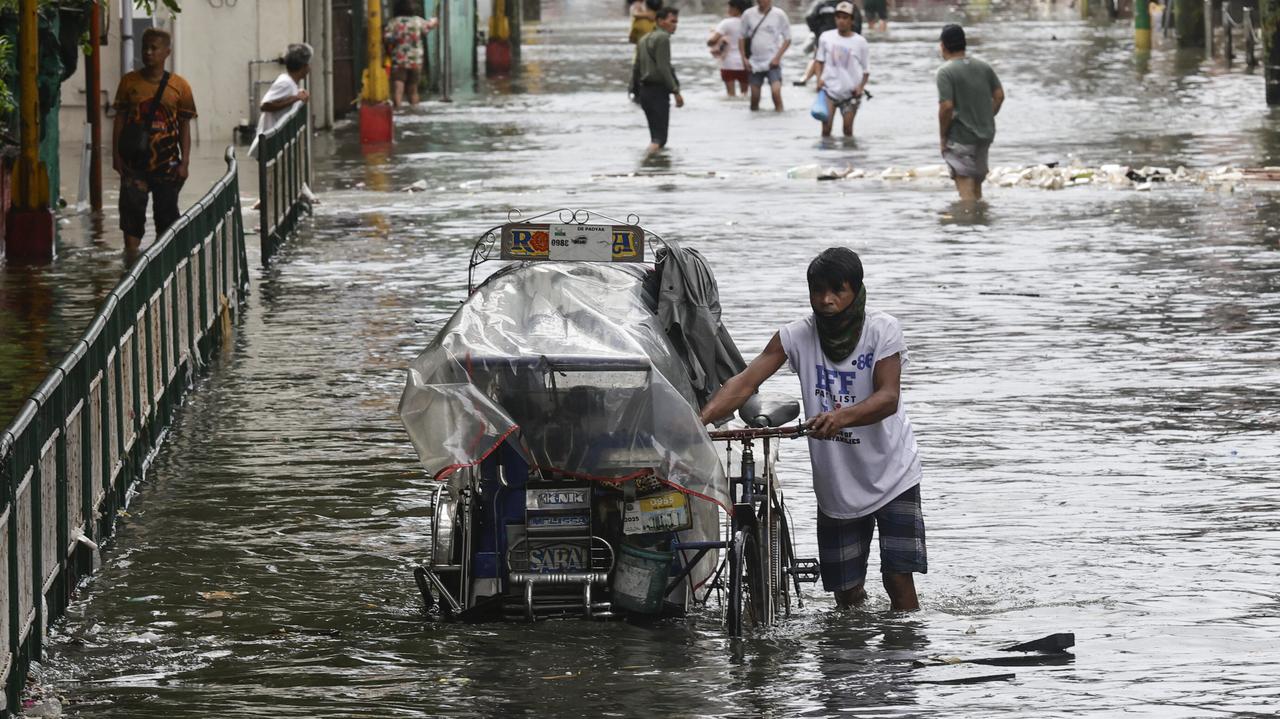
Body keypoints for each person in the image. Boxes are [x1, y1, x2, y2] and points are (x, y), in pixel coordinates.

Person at [699, 247, 926, 612]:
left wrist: (840, 417)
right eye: (817, 291)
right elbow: (743, 383)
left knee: (898, 579)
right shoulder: (796, 336)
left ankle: (905, 661)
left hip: (893, 473)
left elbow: (888, 398)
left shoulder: (882, 331)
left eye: (837, 291)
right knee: (846, 594)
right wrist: (699, 421)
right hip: (837, 483)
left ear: (856, 290)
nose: (826, 300)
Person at [112, 27, 197, 253]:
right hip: (133, 165)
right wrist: (116, 156)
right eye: (145, 48)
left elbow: (184, 126)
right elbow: (119, 120)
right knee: (130, 226)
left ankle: (163, 272)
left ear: (166, 52)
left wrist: (184, 162)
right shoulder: (129, 83)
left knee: (167, 223)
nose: (148, 52)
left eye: (154, 48)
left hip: (166, 165)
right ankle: (130, 269)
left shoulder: (180, 87)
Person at [936, 24, 1004, 202]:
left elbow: (946, 107)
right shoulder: (983, 66)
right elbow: (999, 96)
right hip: (984, 136)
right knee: (977, 189)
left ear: (943, 45)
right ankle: (981, 224)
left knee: (966, 191)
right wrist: (986, 117)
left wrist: (943, 137)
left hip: (961, 138)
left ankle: (969, 225)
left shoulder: (945, 72)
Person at [249, 44, 316, 208]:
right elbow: (265, 105)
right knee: (274, 184)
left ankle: (297, 195)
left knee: (278, 182)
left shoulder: (291, 84)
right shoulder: (285, 83)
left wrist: (298, 96)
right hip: (272, 141)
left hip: (277, 143)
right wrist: (296, 98)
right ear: (304, 66)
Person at [633, 7, 684, 155]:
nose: (675, 25)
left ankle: (654, 170)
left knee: (656, 136)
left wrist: (635, 91)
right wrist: (676, 91)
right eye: (672, 21)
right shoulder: (663, 38)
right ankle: (648, 163)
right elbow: (663, 67)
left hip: (645, 91)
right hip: (657, 91)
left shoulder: (643, 39)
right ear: (661, 21)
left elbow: (636, 68)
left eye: (676, 22)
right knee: (659, 139)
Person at [814, 2, 869, 138]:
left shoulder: (860, 42)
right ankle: (826, 158)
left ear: (851, 20)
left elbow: (866, 70)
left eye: (845, 18)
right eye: (838, 17)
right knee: (826, 130)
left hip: (850, 94)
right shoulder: (826, 37)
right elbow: (818, 61)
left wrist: (860, 87)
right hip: (829, 90)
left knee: (847, 131)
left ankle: (848, 158)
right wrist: (819, 79)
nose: (841, 21)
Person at [384, 0, 440, 109]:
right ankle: (414, 110)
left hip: (399, 59)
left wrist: (398, 39)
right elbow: (428, 27)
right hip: (416, 59)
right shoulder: (417, 21)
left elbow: (387, 38)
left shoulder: (394, 22)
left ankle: (398, 109)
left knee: (398, 85)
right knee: (413, 88)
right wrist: (434, 21)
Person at [738, 0, 792, 111]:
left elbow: (788, 38)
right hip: (754, 61)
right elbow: (741, 37)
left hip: (773, 61)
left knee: (776, 92)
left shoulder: (779, 14)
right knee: (754, 98)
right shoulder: (748, 14)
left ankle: (779, 118)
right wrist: (743, 58)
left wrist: (777, 57)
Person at [707, 0, 750, 97]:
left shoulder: (726, 23)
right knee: (745, 95)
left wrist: (710, 41)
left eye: (730, 7)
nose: (728, 10)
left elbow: (713, 41)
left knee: (730, 95)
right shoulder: (748, 23)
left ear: (736, 9)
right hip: (744, 63)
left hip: (728, 64)